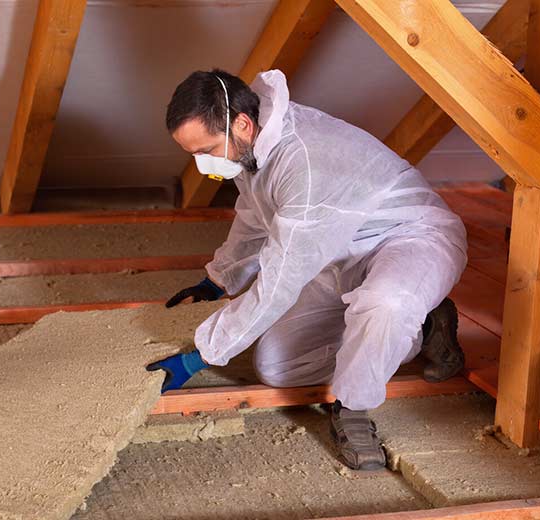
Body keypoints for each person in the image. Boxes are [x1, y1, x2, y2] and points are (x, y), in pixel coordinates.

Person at [147, 69, 468, 470]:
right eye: (194, 154)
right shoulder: (255, 147)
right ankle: (422, 329)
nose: (203, 162)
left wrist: (200, 357)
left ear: (242, 124)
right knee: (276, 366)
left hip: (409, 238)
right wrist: (217, 280)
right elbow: (254, 217)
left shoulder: (305, 162)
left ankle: (353, 409)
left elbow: (279, 282)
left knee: (385, 303)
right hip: (339, 252)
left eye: (208, 149)